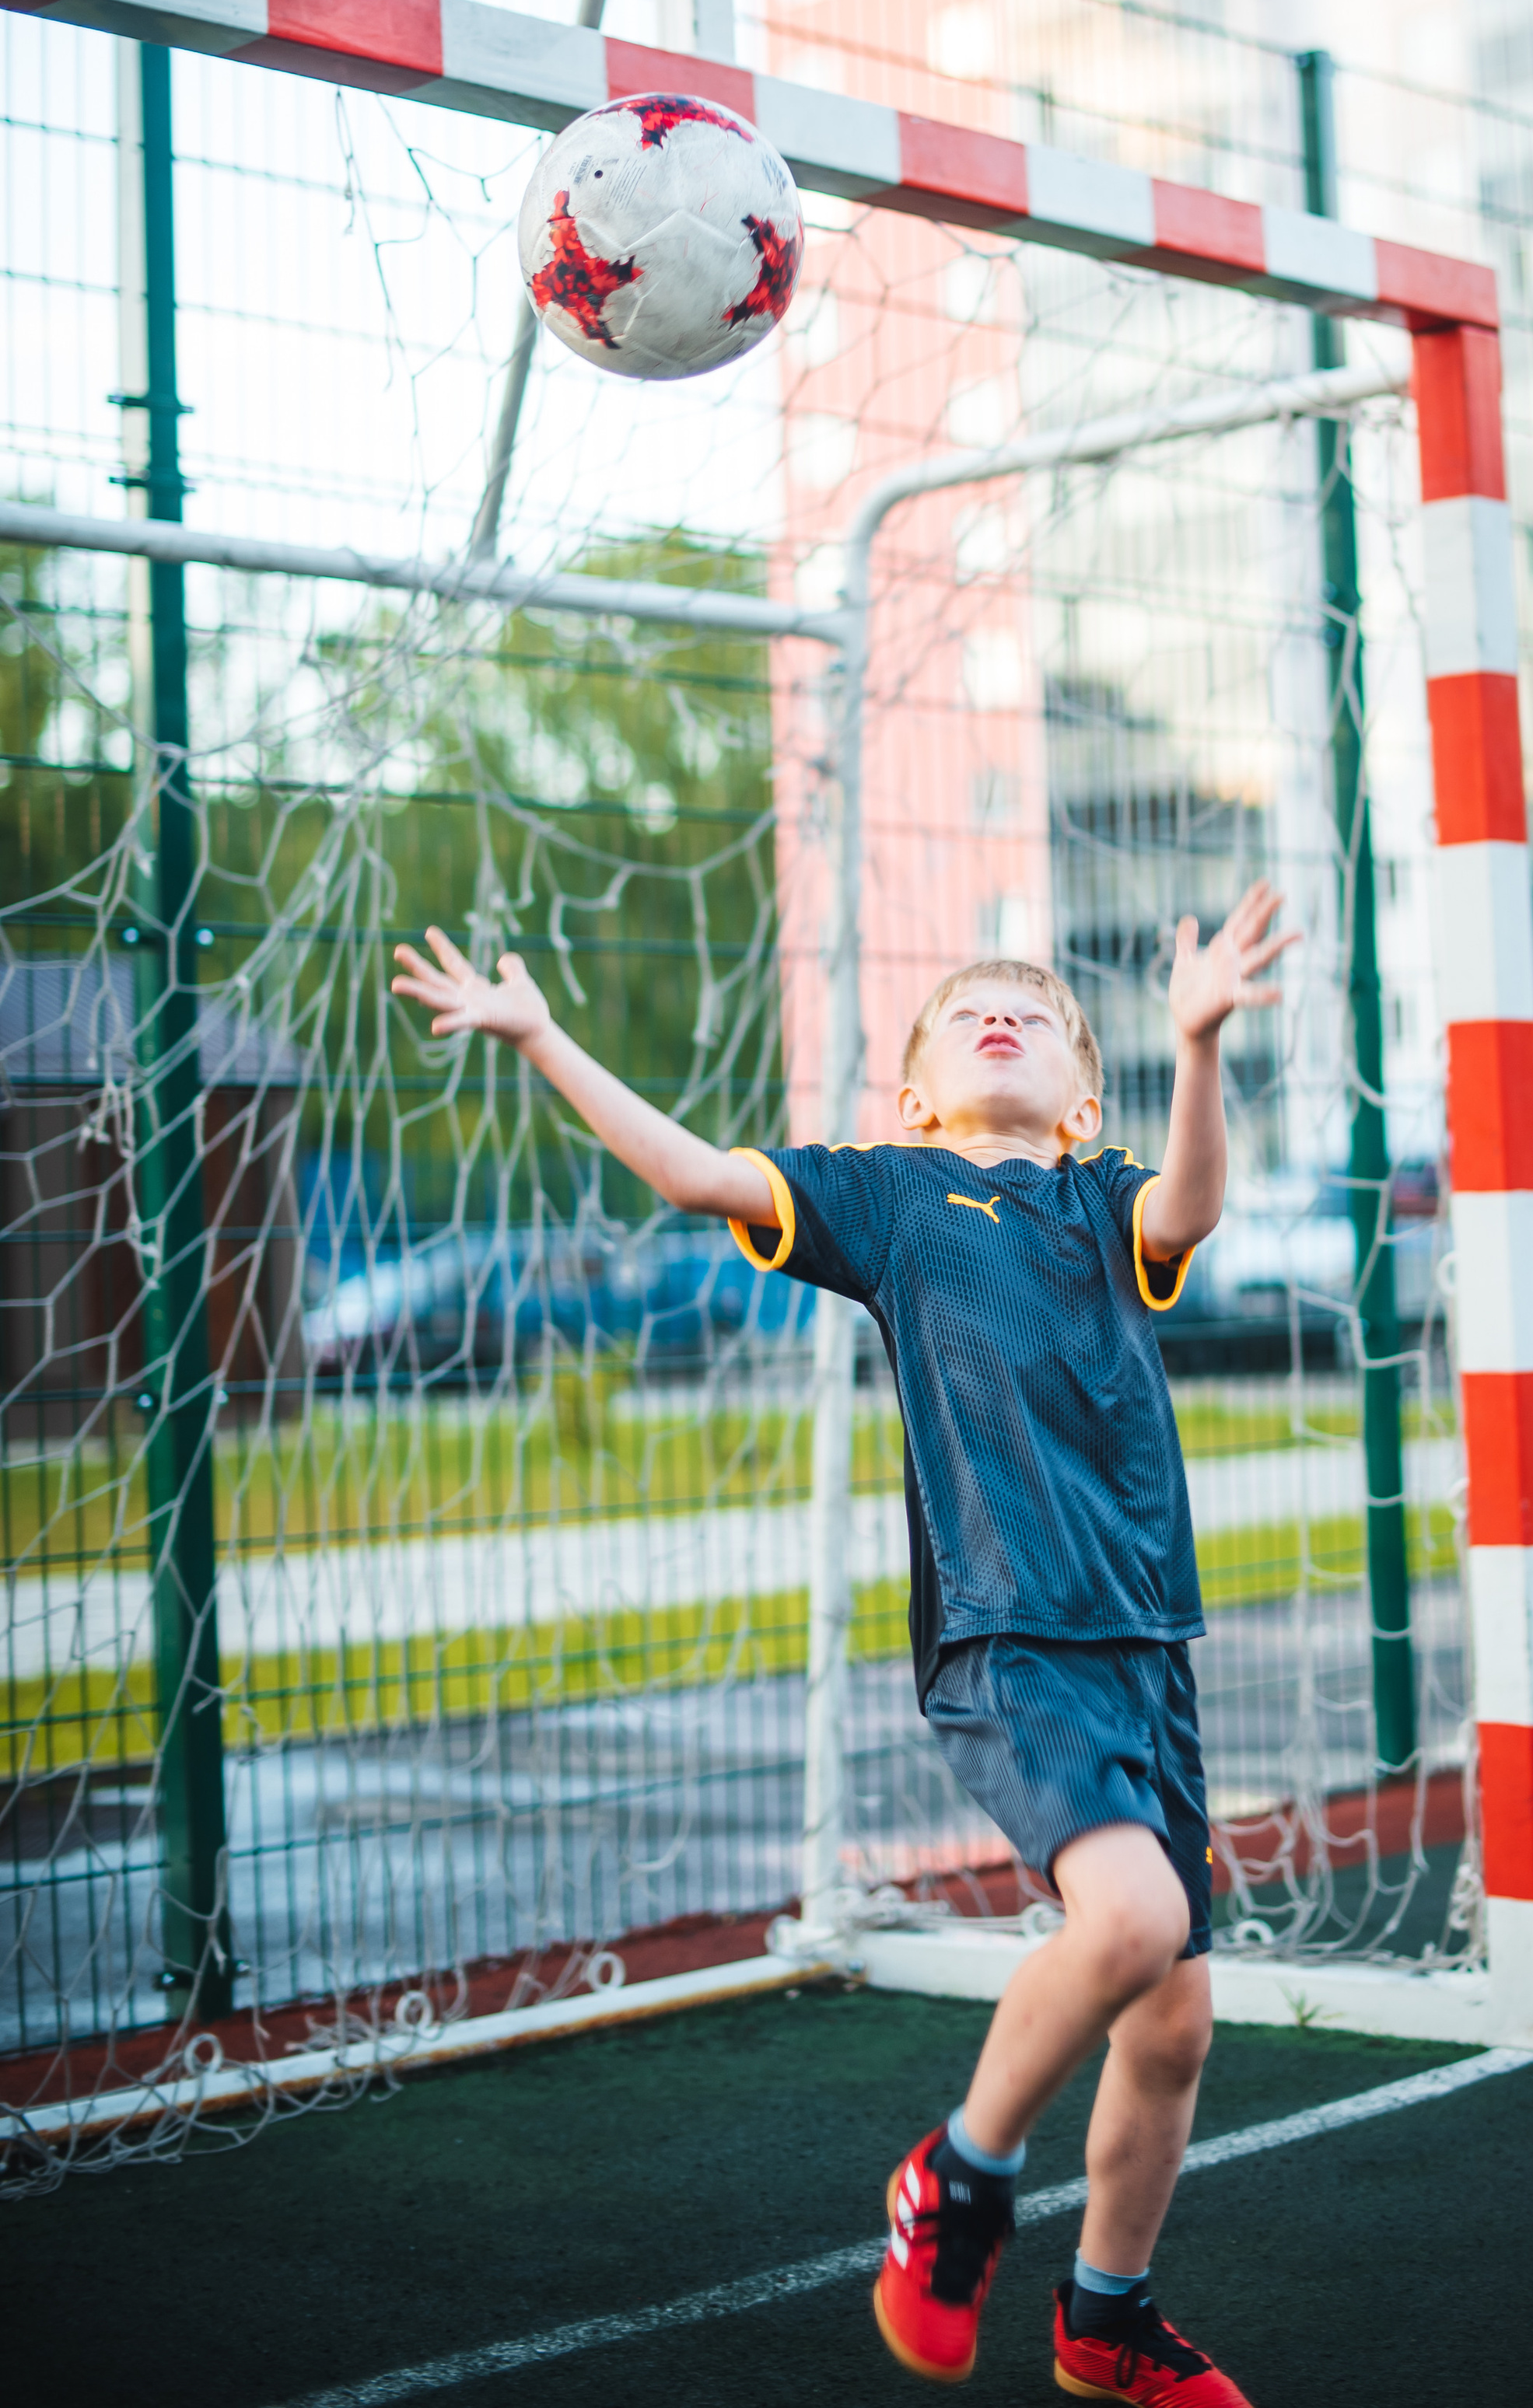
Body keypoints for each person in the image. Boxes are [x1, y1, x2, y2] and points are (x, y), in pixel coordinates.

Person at [390, 879, 1294, 2405]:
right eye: (965, 1010)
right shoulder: (883, 1197)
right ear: (913, 1092)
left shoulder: (1102, 1202)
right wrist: (543, 1034)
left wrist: (1197, 1042)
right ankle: (953, 2176)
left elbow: (1191, 1208)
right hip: (1015, 1644)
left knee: (1173, 2022)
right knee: (1131, 1922)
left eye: (1041, 1016)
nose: (998, 1012)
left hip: (1149, 1645)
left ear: (1082, 1100)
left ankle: (1105, 2317)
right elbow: (686, 1174)